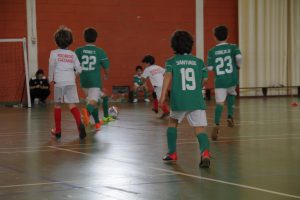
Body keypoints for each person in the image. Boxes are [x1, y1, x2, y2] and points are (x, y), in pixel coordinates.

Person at [159, 30, 211, 168]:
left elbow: (168, 76)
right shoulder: (199, 62)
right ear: (190, 45)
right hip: (196, 99)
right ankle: (205, 153)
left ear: (174, 46)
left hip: (179, 99)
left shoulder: (171, 61)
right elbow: (205, 79)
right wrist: (197, 87)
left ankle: (172, 153)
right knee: (199, 128)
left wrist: (162, 96)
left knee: (173, 123)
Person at [48, 26, 86, 140]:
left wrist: (50, 78)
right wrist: (73, 75)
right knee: (72, 105)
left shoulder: (54, 53)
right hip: (71, 82)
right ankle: (80, 125)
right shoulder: (73, 54)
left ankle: (58, 131)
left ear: (56, 41)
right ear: (70, 41)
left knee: (57, 105)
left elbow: (51, 66)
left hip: (59, 83)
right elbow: (79, 69)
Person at [207, 25, 242, 140]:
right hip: (232, 78)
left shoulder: (212, 51)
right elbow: (239, 57)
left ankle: (216, 123)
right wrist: (238, 65)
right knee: (232, 93)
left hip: (220, 81)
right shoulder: (233, 47)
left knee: (220, 103)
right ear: (227, 35)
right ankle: (230, 116)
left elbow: (210, 68)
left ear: (215, 37)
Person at [75, 27, 111, 130]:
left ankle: (96, 123)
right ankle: (86, 113)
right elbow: (106, 67)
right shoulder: (100, 51)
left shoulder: (79, 50)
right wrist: (107, 75)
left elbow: (74, 65)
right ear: (96, 38)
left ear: (84, 37)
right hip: (94, 81)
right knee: (93, 101)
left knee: (93, 101)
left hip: (84, 81)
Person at [141, 55, 170, 119]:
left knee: (160, 100)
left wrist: (142, 82)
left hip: (158, 87)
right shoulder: (158, 67)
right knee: (154, 94)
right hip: (163, 85)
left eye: (144, 63)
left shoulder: (147, 69)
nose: (144, 65)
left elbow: (143, 78)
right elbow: (166, 72)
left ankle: (166, 111)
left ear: (148, 63)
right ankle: (155, 108)